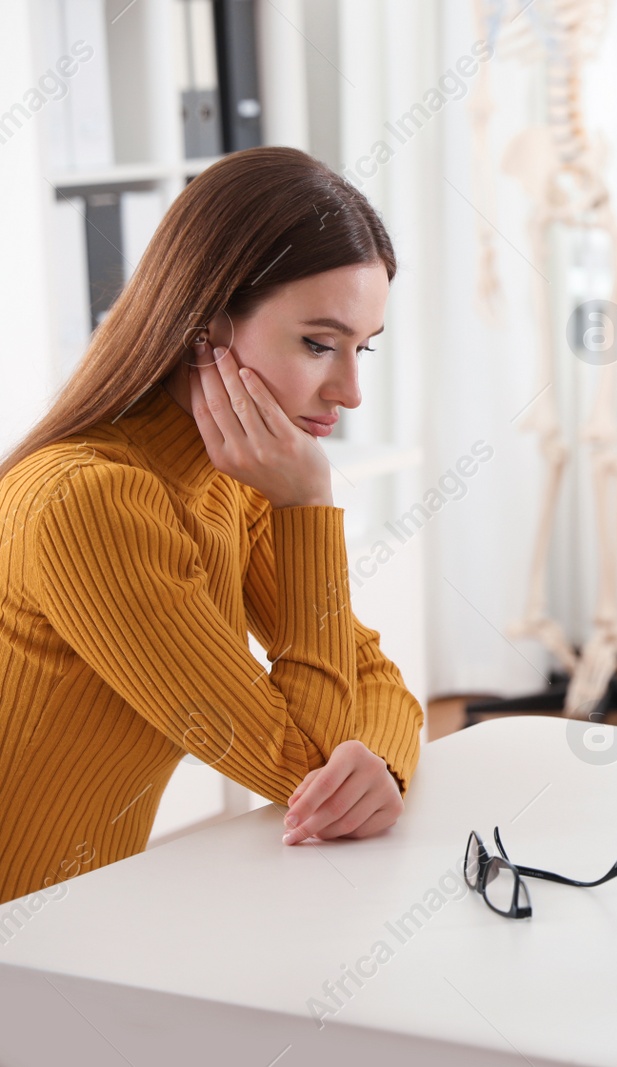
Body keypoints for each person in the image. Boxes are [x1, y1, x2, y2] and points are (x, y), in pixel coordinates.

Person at [0, 147, 423, 905]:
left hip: (70, 936)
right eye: (318, 344)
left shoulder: (229, 478)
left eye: (363, 348)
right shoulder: (89, 503)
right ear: (205, 330)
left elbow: (370, 678)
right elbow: (298, 760)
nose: (351, 390)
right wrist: (308, 510)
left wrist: (381, 765)